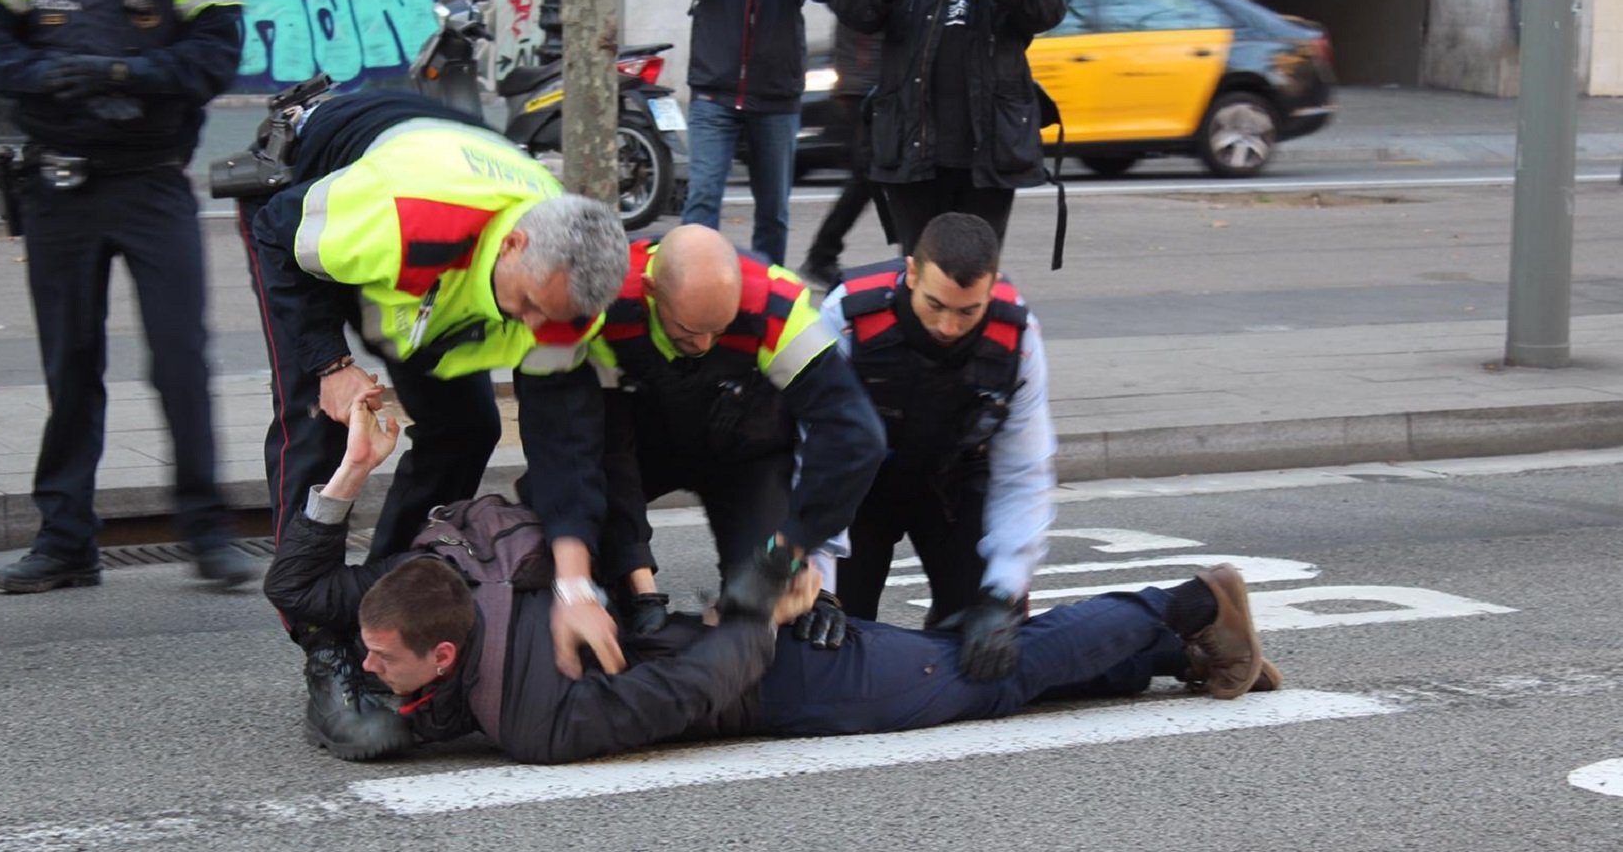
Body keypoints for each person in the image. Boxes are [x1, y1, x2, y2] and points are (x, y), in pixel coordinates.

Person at [263, 391, 1279, 765]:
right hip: (734, 644)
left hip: (772, 669)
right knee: (975, 677)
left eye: (377, 656)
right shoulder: (436, 567)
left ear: (442, 652)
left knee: (978, 675)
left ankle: (1188, 603)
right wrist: (346, 479)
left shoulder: (542, 718)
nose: (361, 660)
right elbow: (304, 595)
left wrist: (764, 598)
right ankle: (1171, 650)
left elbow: (699, 686)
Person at [240, 90, 630, 760]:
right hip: (322, 213)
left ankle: (382, 608)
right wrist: (330, 363)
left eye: (555, 321)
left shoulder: (565, 293)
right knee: (322, 426)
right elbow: (277, 229)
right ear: (512, 245)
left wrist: (575, 583)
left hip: (432, 280)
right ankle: (324, 646)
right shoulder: (405, 219)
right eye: (531, 307)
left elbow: (565, 446)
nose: (537, 333)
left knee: (467, 428)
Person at [0, 0, 252, 593]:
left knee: (181, 359)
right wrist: (41, 74)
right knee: (71, 362)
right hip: (59, 186)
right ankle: (65, 540)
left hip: (153, 181)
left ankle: (206, 531)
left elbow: (218, 54)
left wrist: (125, 75)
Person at [542, 223, 884, 639]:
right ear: (651, 291)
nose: (704, 344)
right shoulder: (601, 295)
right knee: (560, 526)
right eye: (688, 332)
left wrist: (793, 553)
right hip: (638, 444)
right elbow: (575, 442)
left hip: (745, 449)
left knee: (762, 614)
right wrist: (637, 583)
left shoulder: (776, 303)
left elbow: (855, 436)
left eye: (718, 330)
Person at [818, 213, 1054, 681]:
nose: (948, 326)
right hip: (857, 489)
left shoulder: (1017, 335)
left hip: (953, 482)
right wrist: (817, 583)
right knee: (828, 649)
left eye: (968, 311)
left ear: (990, 289)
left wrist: (1001, 593)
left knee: (985, 651)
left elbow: (1024, 471)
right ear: (911, 273)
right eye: (935, 305)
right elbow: (812, 454)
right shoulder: (848, 317)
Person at [831, 0, 1065, 251]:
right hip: (912, 148)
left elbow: (1048, 10)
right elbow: (850, 9)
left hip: (989, 152)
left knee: (974, 272)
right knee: (919, 271)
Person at [652, 0, 839, 266]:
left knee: (773, 213)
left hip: (776, 100)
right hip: (714, 96)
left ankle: (766, 296)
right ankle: (696, 289)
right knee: (701, 206)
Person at [798, 0, 918, 289]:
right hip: (860, 80)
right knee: (870, 172)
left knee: (893, 172)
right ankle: (822, 256)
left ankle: (909, 258)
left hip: (905, 79)